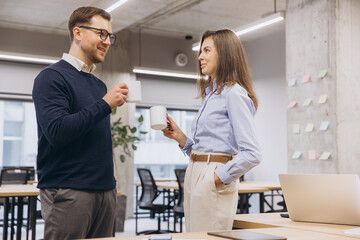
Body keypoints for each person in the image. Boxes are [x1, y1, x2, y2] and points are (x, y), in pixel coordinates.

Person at [32, 6, 128, 239]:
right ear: (78, 33)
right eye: (101, 34)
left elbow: (94, 136)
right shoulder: (51, 77)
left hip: (104, 191)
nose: (107, 41)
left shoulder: (98, 85)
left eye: (110, 36)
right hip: (68, 191)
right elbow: (57, 131)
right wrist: (105, 104)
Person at [162, 29, 262, 232]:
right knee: (194, 235)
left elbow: (252, 154)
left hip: (212, 176)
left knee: (206, 236)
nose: (200, 57)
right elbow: (208, 149)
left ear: (225, 54)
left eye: (207, 50)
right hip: (195, 170)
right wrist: (181, 138)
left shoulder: (234, 94)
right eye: (201, 51)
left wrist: (216, 178)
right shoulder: (211, 94)